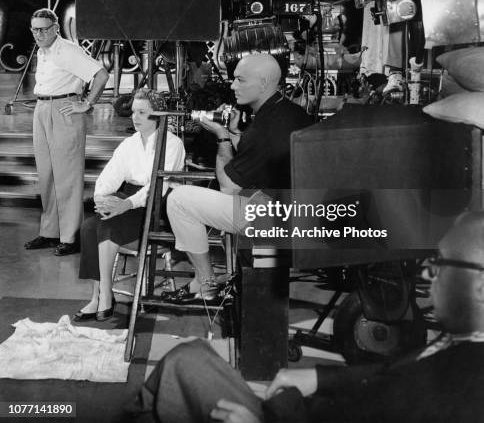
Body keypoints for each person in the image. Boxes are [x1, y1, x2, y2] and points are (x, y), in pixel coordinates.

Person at [125, 210, 484, 422]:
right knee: (187, 359)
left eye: (439, 266)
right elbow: (389, 376)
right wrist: (322, 378)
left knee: (183, 363)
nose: (425, 275)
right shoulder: (463, 341)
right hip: (309, 410)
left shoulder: (465, 384)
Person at [164, 53, 312, 304]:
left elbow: (228, 187)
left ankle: (205, 282)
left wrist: (221, 136)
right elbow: (258, 155)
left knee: (178, 199)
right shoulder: (287, 112)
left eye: (240, 80)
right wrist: (234, 132)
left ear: (264, 83)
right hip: (294, 207)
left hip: (277, 219)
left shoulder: (267, 128)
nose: (233, 86)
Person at [73, 88, 185, 322]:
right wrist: (102, 199)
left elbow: (158, 187)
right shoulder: (130, 144)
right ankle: (98, 296)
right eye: (134, 112)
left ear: (158, 115)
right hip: (128, 201)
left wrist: (125, 205)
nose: (135, 117)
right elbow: (109, 175)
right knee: (89, 227)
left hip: (159, 206)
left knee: (109, 224)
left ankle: (105, 295)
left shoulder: (172, 144)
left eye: (142, 112)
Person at [24, 8, 109, 256]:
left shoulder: (68, 50)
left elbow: (101, 75)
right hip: (42, 108)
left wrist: (87, 103)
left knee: (67, 177)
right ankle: (50, 232)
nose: (38, 34)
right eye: (34, 29)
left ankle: (71, 237)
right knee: (47, 174)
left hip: (64, 109)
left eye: (42, 29)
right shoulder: (43, 51)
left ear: (55, 29)